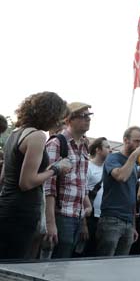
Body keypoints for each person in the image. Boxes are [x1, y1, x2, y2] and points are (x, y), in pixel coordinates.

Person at [0, 92, 71, 259]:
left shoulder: (15, 134)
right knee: (14, 268)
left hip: (7, 208)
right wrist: (56, 169)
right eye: (59, 117)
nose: (59, 122)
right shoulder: (37, 136)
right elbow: (26, 182)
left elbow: (4, 177)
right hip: (21, 212)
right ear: (50, 114)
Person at [44, 102, 93, 259]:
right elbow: (47, 186)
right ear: (69, 120)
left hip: (76, 216)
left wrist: (86, 205)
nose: (88, 119)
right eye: (83, 116)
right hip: (61, 215)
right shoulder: (57, 143)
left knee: (64, 264)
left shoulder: (84, 146)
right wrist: (50, 223)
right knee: (54, 265)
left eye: (89, 116)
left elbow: (81, 183)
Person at [96, 126, 140, 256]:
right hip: (111, 218)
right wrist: (135, 155)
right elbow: (121, 176)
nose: (139, 145)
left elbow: (131, 193)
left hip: (128, 221)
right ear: (125, 140)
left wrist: (133, 225)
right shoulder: (113, 159)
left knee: (120, 266)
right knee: (104, 263)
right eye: (136, 141)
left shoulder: (134, 164)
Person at [83, 137, 111, 257]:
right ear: (98, 150)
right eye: (107, 147)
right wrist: (83, 224)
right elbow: (82, 193)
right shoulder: (88, 167)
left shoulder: (109, 168)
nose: (110, 150)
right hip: (90, 217)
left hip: (104, 216)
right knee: (83, 251)